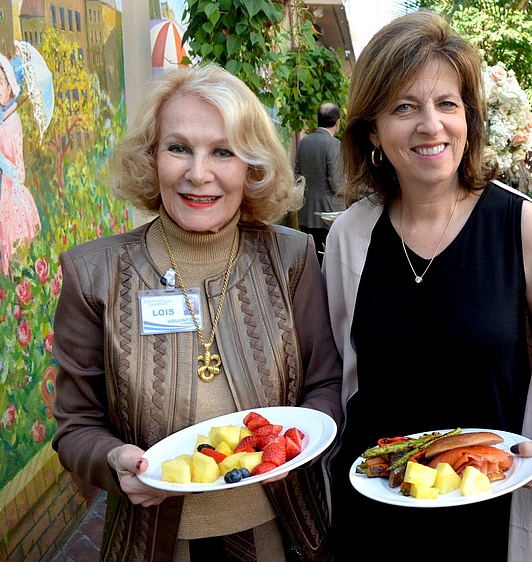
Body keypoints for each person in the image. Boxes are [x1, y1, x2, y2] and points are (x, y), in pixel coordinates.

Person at [322, 11, 532, 562]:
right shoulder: (352, 236)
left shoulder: (523, 226)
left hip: (489, 512)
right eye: (405, 107)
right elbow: (338, 376)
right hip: (377, 508)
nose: (431, 125)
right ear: (373, 130)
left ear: (468, 119)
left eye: (447, 104)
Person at [51, 63, 343, 562]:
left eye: (223, 151)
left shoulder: (292, 258)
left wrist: (299, 440)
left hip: (282, 536)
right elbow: (75, 425)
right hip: (153, 545)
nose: (198, 173)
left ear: (251, 167)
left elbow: (325, 385)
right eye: (178, 147)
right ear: (152, 157)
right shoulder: (93, 274)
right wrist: (113, 460)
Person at [0, 50, 41, 278]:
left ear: (11, 87)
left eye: (2, 83)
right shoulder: (4, 116)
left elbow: (18, 172)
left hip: (14, 198)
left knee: (16, 258)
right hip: (4, 194)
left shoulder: (13, 123)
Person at [295, 102, 346, 262]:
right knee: (329, 263)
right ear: (337, 122)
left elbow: (296, 176)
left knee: (310, 262)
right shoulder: (334, 144)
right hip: (329, 215)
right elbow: (337, 184)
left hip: (306, 214)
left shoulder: (304, 142)